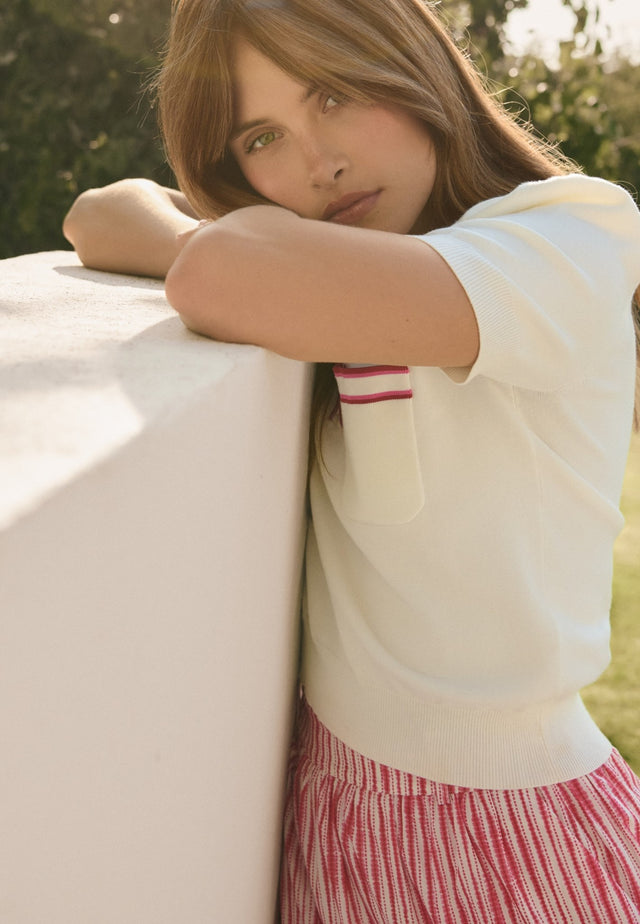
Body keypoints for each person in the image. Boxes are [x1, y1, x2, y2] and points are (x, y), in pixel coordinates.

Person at [63, 0, 640, 920]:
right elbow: (100, 214)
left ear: (407, 60)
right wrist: (221, 236)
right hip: (336, 807)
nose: (316, 163)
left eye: (332, 93)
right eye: (261, 137)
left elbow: (213, 273)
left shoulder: (569, 233)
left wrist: (218, 246)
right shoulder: (341, 275)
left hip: (513, 832)